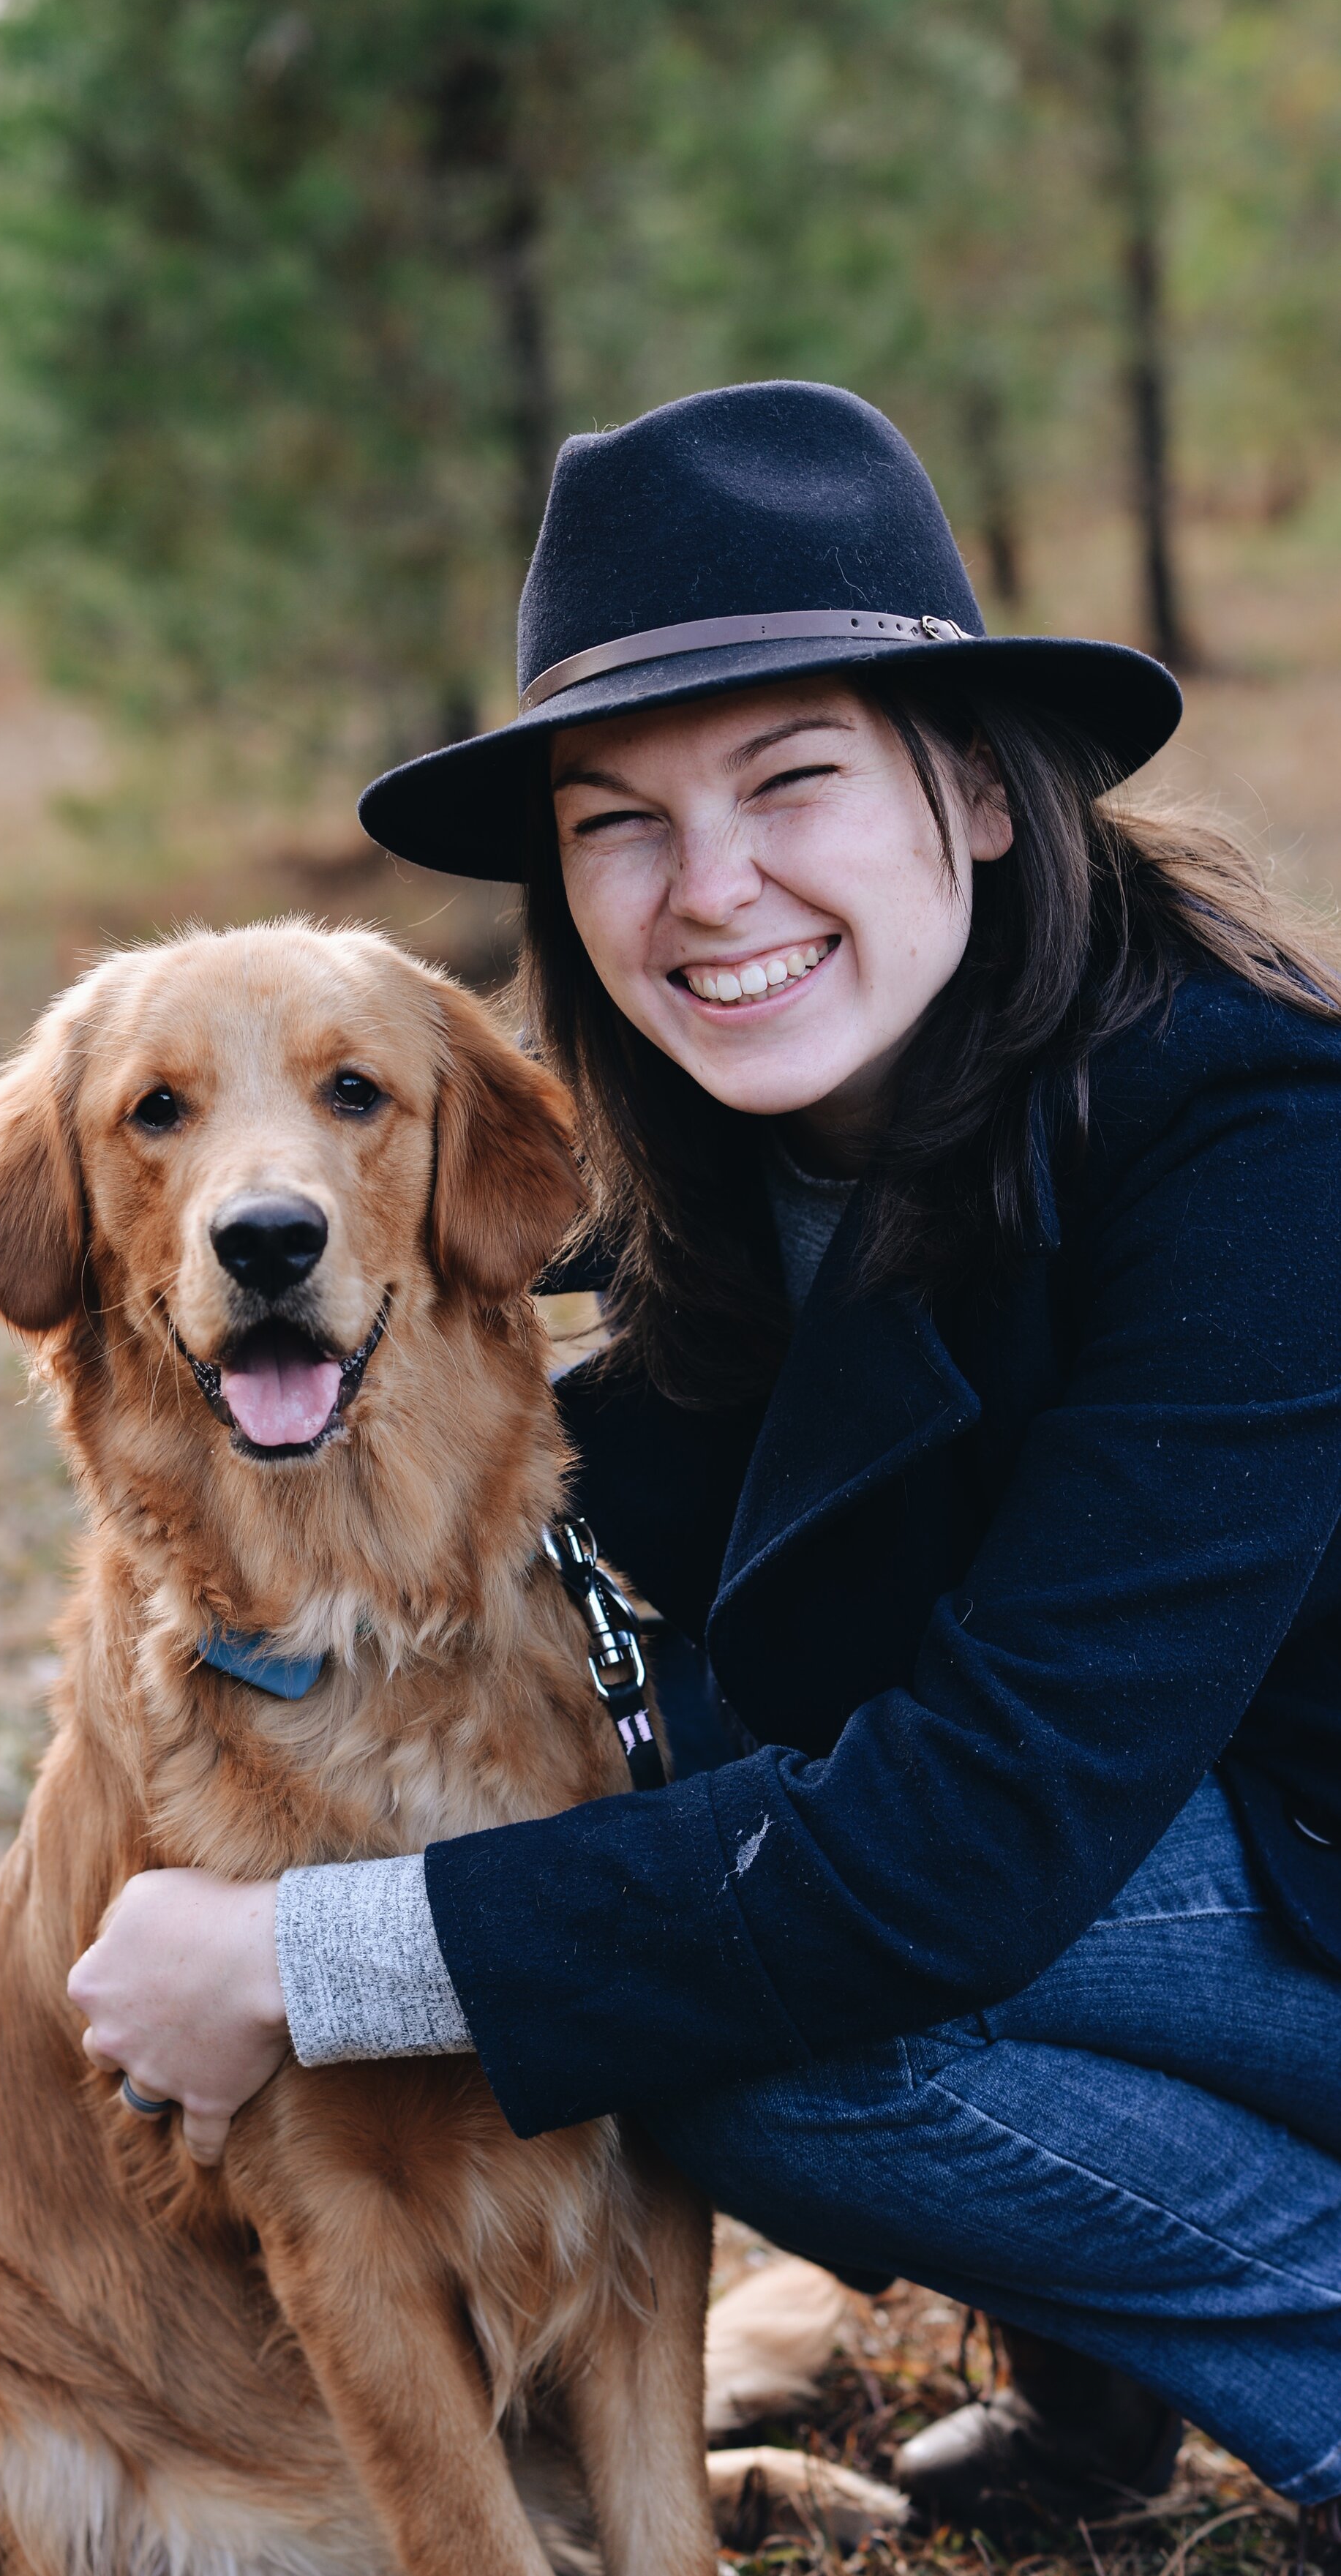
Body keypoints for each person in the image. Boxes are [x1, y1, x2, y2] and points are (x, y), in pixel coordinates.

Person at [65, 382, 1341, 2539]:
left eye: (790, 779)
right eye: (618, 818)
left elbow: (968, 1835)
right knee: (708, 1825)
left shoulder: (1261, 1153)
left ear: (980, 791)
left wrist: (303, 1961)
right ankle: (1106, 2386)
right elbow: (577, 1561)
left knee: (732, 2007)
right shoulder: (748, 1176)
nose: (707, 885)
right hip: (1204, 1875)